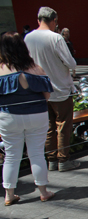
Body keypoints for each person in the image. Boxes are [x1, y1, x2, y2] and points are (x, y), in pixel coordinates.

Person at [0, 32, 55, 206]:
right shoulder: (36, 68)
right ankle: (43, 191)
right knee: (37, 153)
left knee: (11, 155)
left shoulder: (1, 69)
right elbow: (46, 96)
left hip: (9, 116)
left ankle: (9, 195)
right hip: (37, 114)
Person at [25, 7, 79, 172]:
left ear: (38, 19)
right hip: (59, 88)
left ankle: (51, 160)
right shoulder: (56, 38)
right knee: (63, 125)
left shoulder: (28, 38)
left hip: (39, 90)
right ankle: (63, 160)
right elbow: (71, 63)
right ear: (54, 21)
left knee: (48, 127)